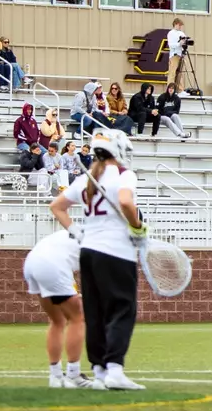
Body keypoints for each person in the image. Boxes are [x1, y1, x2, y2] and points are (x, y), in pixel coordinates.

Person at [50, 129, 147, 390]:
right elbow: (125, 201)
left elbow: (57, 206)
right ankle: (115, 368)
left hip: (89, 251)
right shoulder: (124, 175)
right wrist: (137, 226)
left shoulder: (87, 178)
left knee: (95, 313)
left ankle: (100, 371)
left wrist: (76, 231)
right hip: (116, 251)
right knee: (122, 309)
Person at [22, 227, 88, 388]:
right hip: (53, 265)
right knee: (77, 317)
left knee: (57, 321)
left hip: (32, 262)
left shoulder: (82, 229)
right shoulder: (104, 239)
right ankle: (73, 375)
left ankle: (55, 376)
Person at [165, 18, 194, 93]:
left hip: (181, 54)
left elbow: (185, 42)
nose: (180, 27)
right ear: (175, 24)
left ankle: (180, 90)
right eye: (179, 25)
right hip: (174, 55)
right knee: (172, 73)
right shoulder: (171, 33)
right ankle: (169, 90)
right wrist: (179, 43)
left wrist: (184, 43)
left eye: (181, 25)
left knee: (180, 73)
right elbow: (170, 45)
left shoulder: (181, 33)